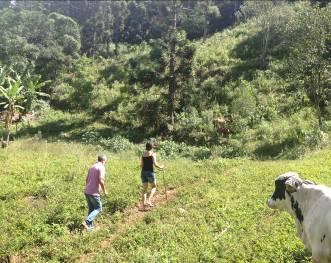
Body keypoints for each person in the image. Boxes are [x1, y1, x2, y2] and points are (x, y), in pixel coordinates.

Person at [82, 155, 109, 230]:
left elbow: (87, 179)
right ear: (103, 161)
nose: (105, 163)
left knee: (91, 209)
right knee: (98, 208)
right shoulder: (101, 167)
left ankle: (90, 229)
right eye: (105, 161)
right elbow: (101, 180)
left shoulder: (92, 166)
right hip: (94, 192)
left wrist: (88, 187)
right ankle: (86, 221)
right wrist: (105, 191)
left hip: (87, 191)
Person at [140, 142, 163, 211]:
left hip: (143, 173)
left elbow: (141, 165)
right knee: (154, 187)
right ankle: (149, 200)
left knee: (144, 190)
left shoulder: (142, 155)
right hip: (150, 172)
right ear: (152, 147)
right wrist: (161, 167)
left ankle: (143, 207)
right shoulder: (153, 154)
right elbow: (155, 164)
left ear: (146, 147)